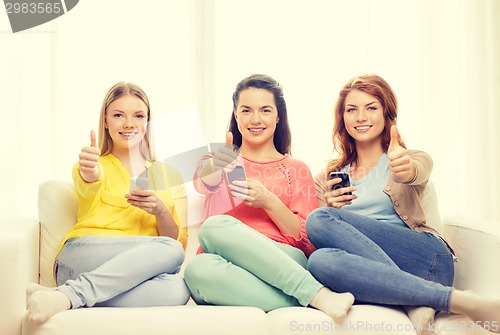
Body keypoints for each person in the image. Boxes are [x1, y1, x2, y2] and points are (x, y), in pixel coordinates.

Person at [306, 74, 500, 333]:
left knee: (318, 219)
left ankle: (453, 299)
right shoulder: (328, 178)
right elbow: (321, 238)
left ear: (387, 114)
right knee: (320, 261)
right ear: (342, 119)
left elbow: (416, 170)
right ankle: (416, 298)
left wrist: (405, 170)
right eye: (351, 110)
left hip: (427, 261)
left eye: (371, 108)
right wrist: (331, 208)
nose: (361, 117)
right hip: (381, 278)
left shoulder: (408, 159)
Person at [183, 74, 355, 322]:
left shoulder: (296, 168)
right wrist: (216, 168)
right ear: (236, 115)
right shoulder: (218, 160)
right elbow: (203, 180)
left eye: (265, 110)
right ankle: (311, 297)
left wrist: (269, 201)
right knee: (197, 268)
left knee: (214, 226)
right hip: (225, 263)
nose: (255, 119)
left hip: (283, 258)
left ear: (278, 116)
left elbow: (305, 241)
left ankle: (309, 291)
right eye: (246, 110)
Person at [26, 82, 190, 324]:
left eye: (138, 116)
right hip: (80, 256)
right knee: (170, 249)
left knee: (178, 289)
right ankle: (72, 292)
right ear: (105, 121)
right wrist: (89, 172)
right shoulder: (96, 165)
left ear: (147, 121)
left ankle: (65, 296)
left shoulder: (169, 175)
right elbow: (89, 181)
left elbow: (176, 242)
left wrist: (160, 211)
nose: (129, 124)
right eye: (118, 115)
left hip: (121, 274)